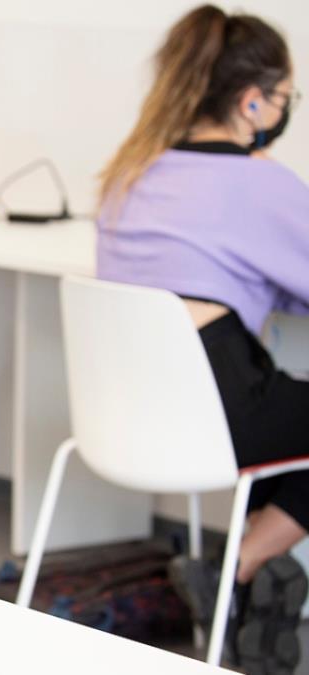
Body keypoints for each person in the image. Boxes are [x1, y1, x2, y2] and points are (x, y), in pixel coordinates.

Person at [97, 6, 307, 672]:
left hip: (123, 410)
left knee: (289, 410)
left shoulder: (129, 173)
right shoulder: (261, 185)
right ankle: (238, 567)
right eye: (285, 96)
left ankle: (245, 585)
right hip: (214, 406)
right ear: (253, 100)